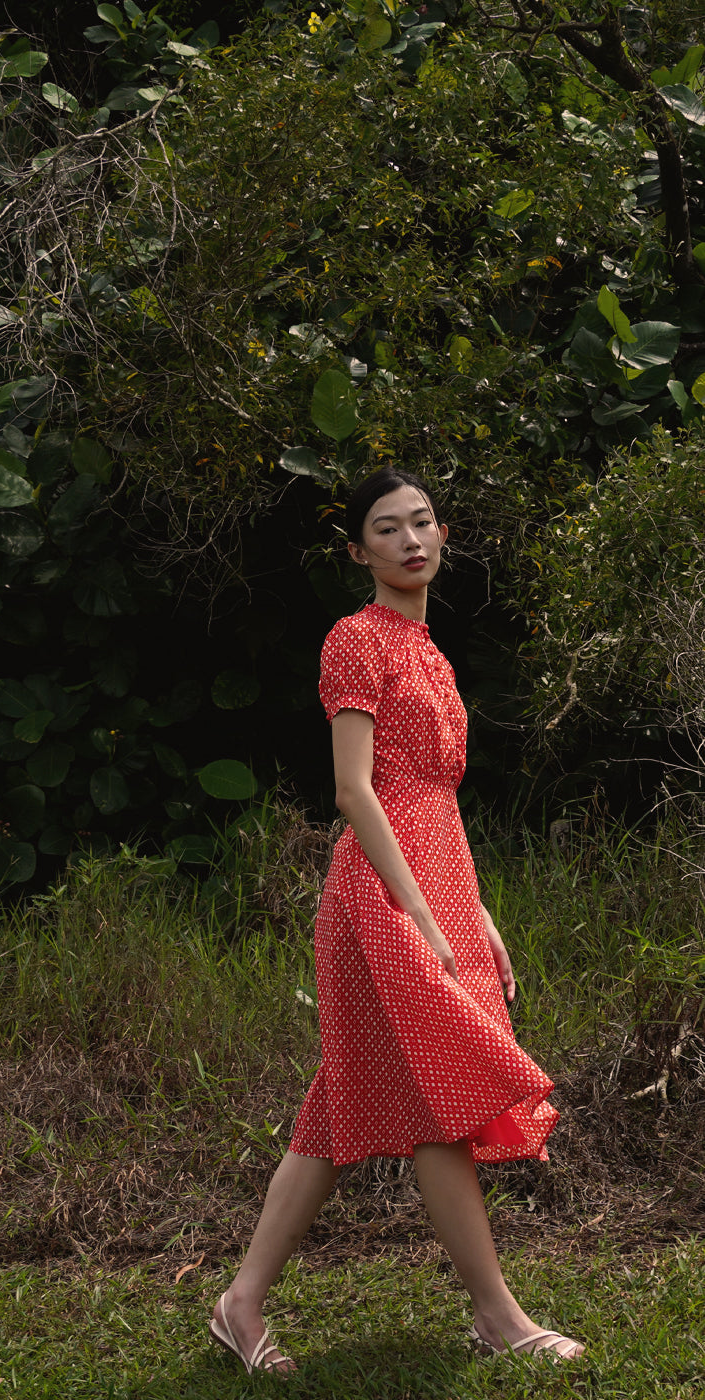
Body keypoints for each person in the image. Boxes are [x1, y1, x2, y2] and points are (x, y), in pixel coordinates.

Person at [209, 467, 584, 1375]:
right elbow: (354, 791)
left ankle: (239, 1305)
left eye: (422, 524)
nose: (410, 541)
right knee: (439, 1104)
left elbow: (438, 800)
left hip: (441, 879)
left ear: (444, 535)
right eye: (387, 529)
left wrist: (476, 908)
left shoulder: (436, 654)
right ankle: (499, 1316)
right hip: (381, 896)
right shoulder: (355, 640)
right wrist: (418, 909)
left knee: (342, 1109)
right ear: (358, 551)